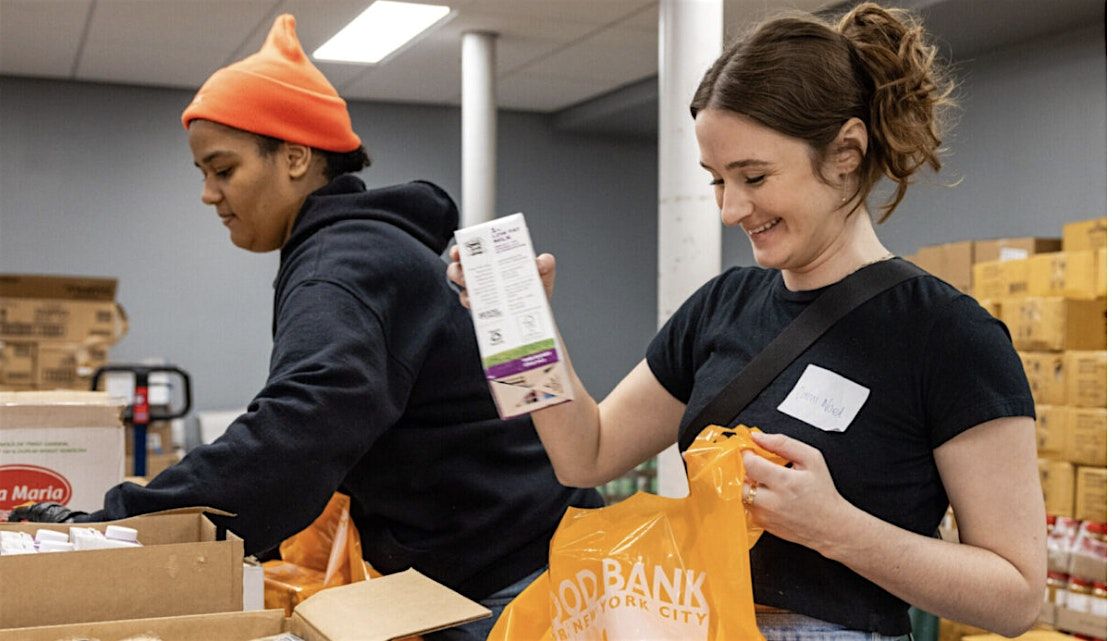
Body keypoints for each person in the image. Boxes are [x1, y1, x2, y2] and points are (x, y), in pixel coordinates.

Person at [449, 3, 1045, 638]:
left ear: (845, 151)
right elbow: (583, 456)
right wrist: (519, 329)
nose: (731, 209)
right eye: (715, 181)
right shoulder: (722, 305)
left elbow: (1016, 595)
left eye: (753, 176)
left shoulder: (948, 335)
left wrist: (837, 528)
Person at [11, 14, 600, 640]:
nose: (210, 194)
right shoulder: (367, 247)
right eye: (203, 174)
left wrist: (119, 525)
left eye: (223, 168)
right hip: (526, 555)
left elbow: (302, 425)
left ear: (294, 157)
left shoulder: (337, 265)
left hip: (514, 581)